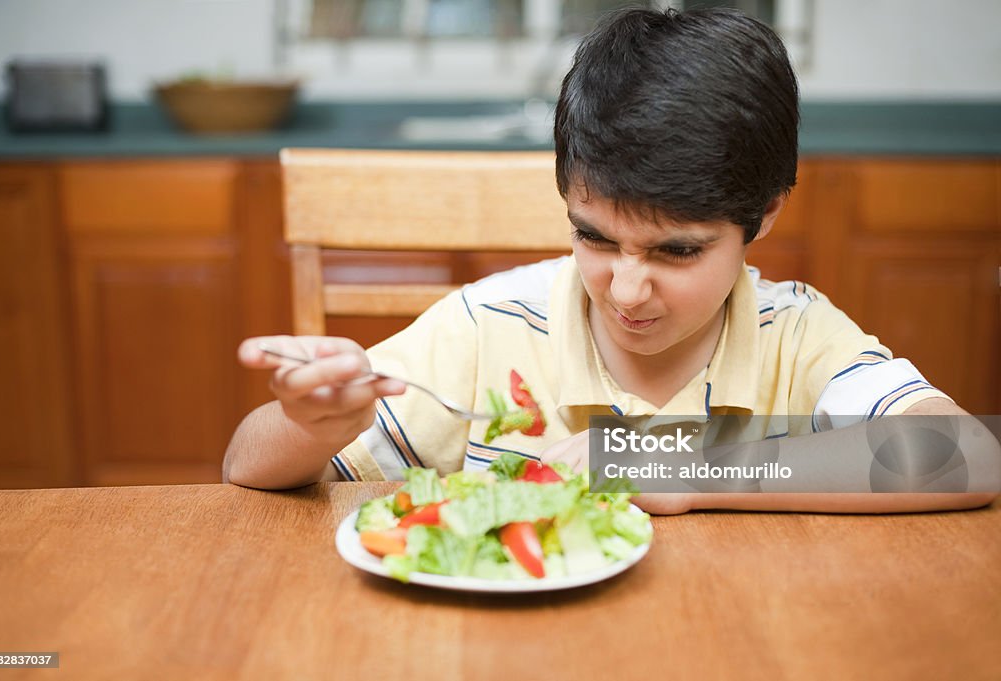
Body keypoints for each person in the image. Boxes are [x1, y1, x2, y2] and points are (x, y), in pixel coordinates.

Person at [223, 7, 998, 513]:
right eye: (594, 236)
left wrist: (678, 461)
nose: (627, 289)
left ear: (762, 215)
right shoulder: (489, 325)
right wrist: (314, 423)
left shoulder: (794, 332)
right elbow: (245, 465)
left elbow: (964, 455)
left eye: (679, 250)